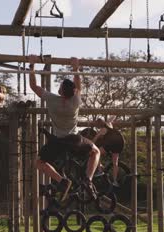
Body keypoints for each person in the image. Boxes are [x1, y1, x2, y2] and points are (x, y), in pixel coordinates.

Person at [28, 55, 100, 201]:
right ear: (73, 93)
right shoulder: (75, 100)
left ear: (60, 91)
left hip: (59, 141)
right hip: (74, 140)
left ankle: (62, 181)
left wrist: (32, 66)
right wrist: (75, 67)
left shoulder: (51, 99)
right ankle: (88, 179)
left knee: (38, 162)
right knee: (95, 151)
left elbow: (34, 87)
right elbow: (78, 84)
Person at [92, 117, 125, 187]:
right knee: (115, 163)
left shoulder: (102, 130)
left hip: (111, 143)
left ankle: (100, 169)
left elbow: (95, 139)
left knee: (96, 153)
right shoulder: (108, 123)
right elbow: (112, 118)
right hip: (119, 142)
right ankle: (115, 181)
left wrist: (90, 144)